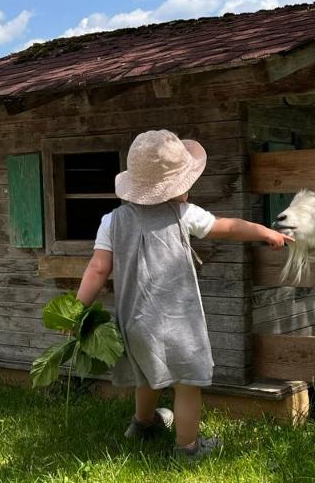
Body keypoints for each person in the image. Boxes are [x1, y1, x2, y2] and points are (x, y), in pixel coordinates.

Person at [75, 129, 292, 459]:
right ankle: (189, 448)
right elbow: (228, 227)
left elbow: (97, 269)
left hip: (134, 321)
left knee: (146, 375)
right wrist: (264, 232)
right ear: (175, 187)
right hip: (178, 324)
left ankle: (142, 424)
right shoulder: (183, 215)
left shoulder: (112, 221)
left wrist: (76, 309)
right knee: (187, 384)